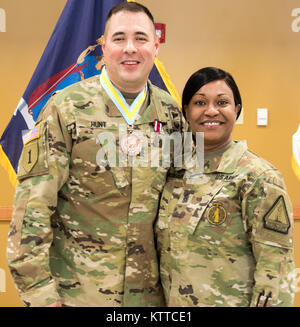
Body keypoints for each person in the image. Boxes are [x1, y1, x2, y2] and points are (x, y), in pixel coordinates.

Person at [7, 2, 186, 307]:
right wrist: (40, 294)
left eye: (141, 38)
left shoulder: (171, 114)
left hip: (151, 298)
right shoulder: (65, 108)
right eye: (119, 38)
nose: (130, 48)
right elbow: (31, 209)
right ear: (103, 47)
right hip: (78, 295)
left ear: (156, 47)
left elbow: (184, 205)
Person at [155, 67, 296, 307]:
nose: (211, 111)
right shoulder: (171, 171)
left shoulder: (259, 177)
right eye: (200, 102)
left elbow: (275, 272)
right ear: (186, 112)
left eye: (222, 102)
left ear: (236, 110)